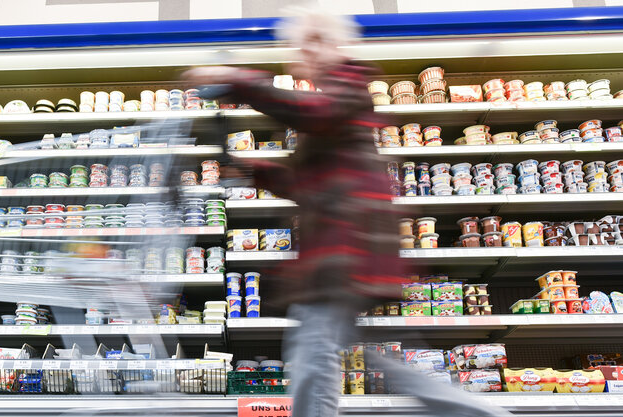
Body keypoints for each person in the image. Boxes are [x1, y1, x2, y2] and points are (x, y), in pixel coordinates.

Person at [184, 5, 512, 417]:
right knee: (370, 355)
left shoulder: (349, 86)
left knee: (312, 352)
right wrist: (252, 170)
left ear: (322, 43)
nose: (298, 58)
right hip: (344, 253)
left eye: (303, 47)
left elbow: (313, 114)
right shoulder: (336, 103)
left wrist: (237, 80)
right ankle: (478, 412)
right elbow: (307, 185)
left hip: (345, 251)